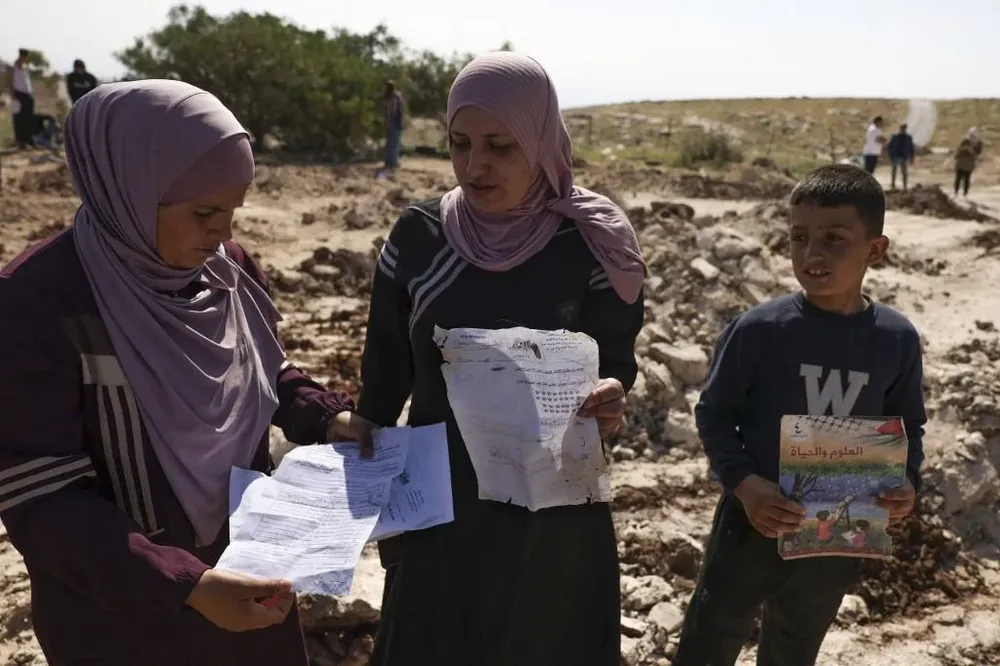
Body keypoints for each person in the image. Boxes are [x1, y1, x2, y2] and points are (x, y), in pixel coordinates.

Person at [0, 79, 377, 665]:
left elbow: (263, 370)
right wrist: (187, 585)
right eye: (204, 212)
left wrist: (329, 417)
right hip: (125, 620)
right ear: (125, 189)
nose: (225, 234)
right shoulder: (41, 303)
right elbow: (45, 500)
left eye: (232, 212)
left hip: (251, 588)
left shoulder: (225, 271)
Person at [357, 51, 646, 666]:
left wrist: (612, 394)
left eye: (500, 146)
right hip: (443, 502)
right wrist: (370, 463)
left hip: (552, 508)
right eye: (460, 143)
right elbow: (383, 372)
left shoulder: (591, 244)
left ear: (540, 141)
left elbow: (617, 360)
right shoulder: (420, 237)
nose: (474, 165)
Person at [673, 164, 925, 666]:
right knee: (713, 633)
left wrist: (907, 483)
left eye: (835, 238)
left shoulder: (895, 340)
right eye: (799, 237)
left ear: (876, 250)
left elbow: (906, 425)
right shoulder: (760, 330)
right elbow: (715, 414)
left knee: (796, 643)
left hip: (838, 532)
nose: (812, 253)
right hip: (755, 522)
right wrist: (746, 486)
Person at [8, 48, 35, 149]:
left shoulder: (26, 67)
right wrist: (12, 94)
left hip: (27, 94)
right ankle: (20, 141)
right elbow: (10, 80)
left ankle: (28, 140)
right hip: (18, 94)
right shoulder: (13, 66)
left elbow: (27, 81)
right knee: (19, 118)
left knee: (28, 118)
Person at [381, 80, 404, 171]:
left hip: (388, 122)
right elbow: (400, 110)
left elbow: (385, 112)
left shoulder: (386, 97)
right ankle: (393, 162)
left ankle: (388, 162)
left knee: (390, 143)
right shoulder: (397, 97)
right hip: (395, 121)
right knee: (395, 143)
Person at [886, 122, 915, 190]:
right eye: (902, 127)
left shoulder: (908, 137)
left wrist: (912, 157)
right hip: (895, 156)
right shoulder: (895, 136)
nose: (903, 129)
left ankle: (904, 186)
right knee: (894, 172)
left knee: (904, 173)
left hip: (904, 157)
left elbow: (911, 148)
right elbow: (890, 146)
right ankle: (893, 185)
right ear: (900, 128)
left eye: (904, 128)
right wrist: (890, 156)